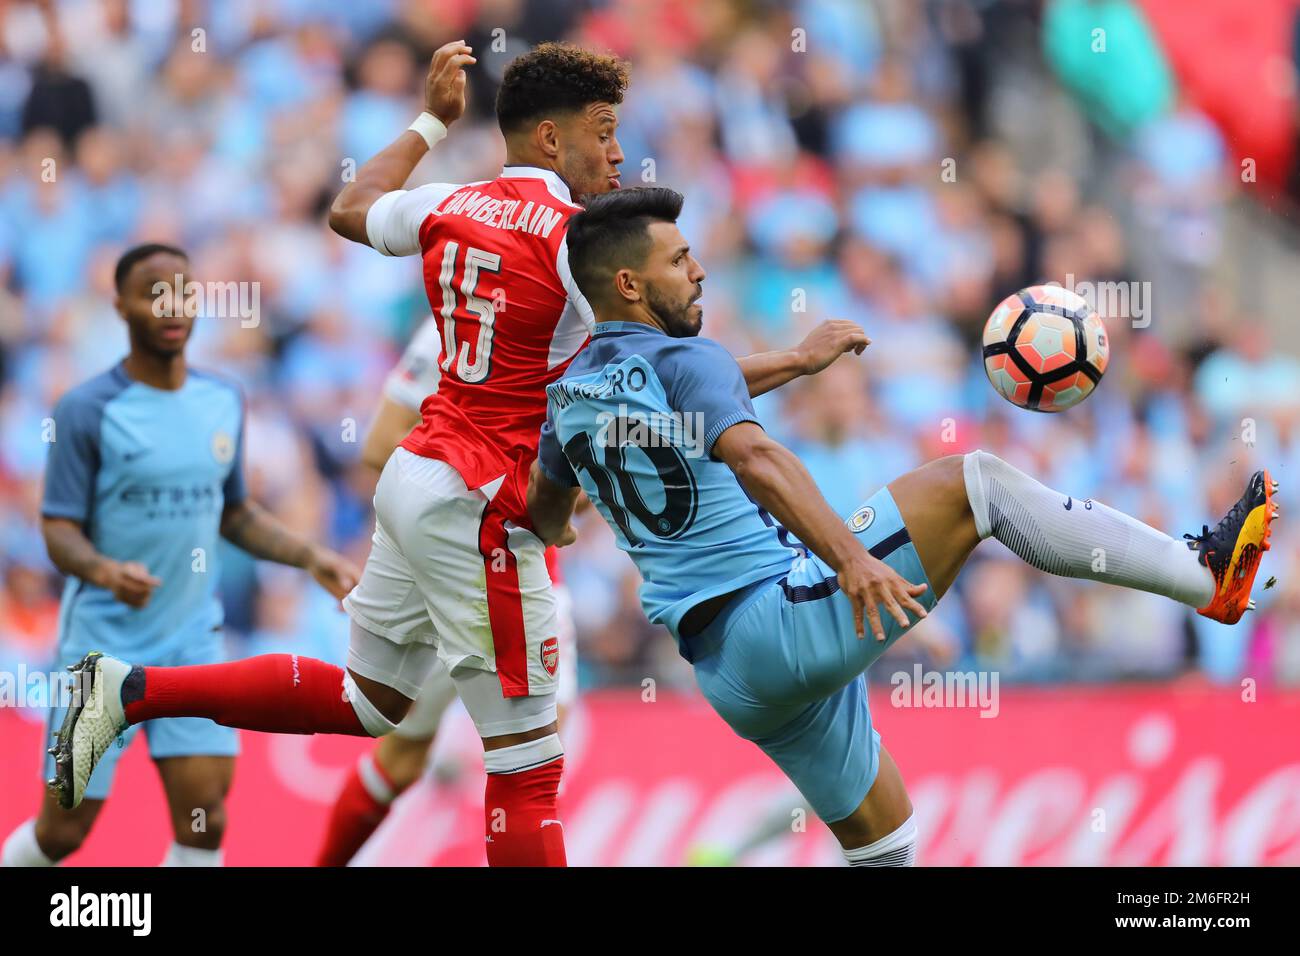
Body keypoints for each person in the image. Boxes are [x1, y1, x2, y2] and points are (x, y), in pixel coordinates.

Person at [50, 44, 865, 867]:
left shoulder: (449, 202)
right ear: (551, 139)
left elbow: (350, 207)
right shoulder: (579, 248)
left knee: (369, 701)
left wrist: (430, 121)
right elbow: (682, 378)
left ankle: (126, 688)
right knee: (527, 766)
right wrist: (793, 363)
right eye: (606, 133)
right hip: (482, 506)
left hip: (419, 471)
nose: (619, 153)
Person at [525, 187, 1279, 866]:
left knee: (887, 849)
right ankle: (1206, 577)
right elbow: (753, 454)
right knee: (970, 483)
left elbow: (547, 517)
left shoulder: (571, 397)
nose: (698, 271)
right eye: (679, 259)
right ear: (629, 284)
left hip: (728, 672)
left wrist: (789, 362)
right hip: (776, 618)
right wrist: (850, 559)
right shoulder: (686, 361)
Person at [1, 243, 358, 868]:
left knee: (205, 821)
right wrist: (103, 570)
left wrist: (309, 557)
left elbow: (234, 512)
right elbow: (57, 529)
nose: (172, 308)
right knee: (64, 833)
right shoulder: (87, 410)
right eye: (153, 293)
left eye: (183, 293)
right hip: (99, 651)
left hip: (192, 645)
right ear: (120, 306)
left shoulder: (222, 398)